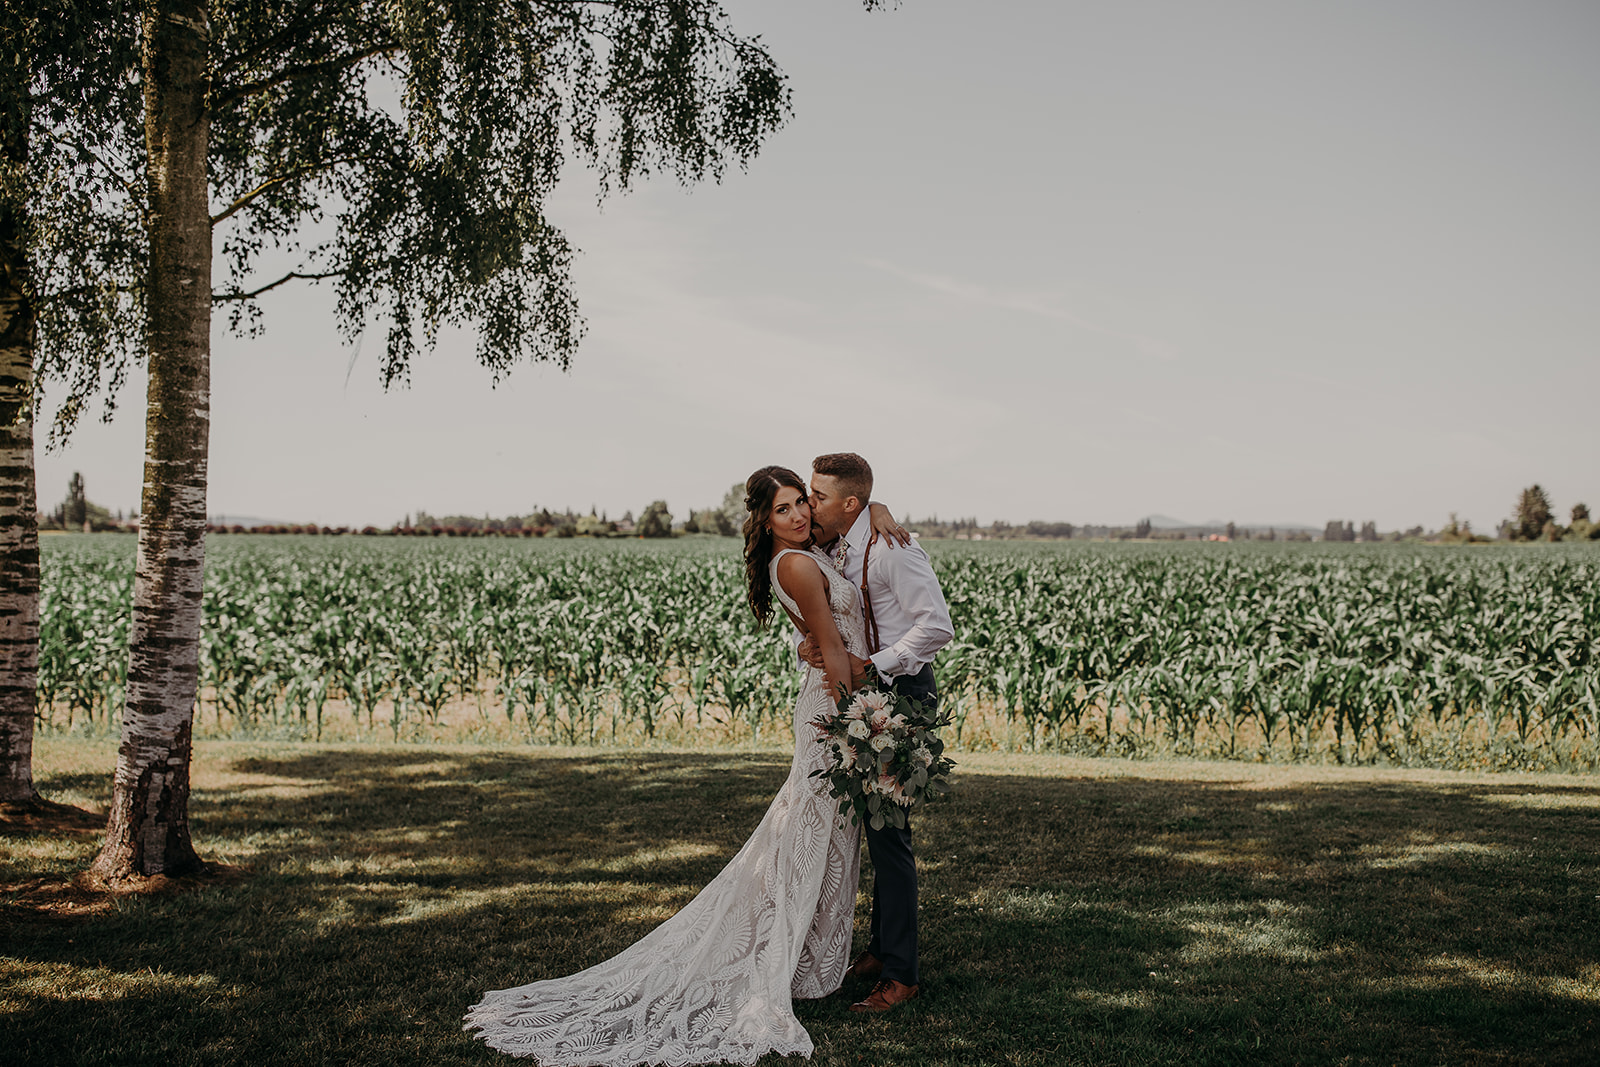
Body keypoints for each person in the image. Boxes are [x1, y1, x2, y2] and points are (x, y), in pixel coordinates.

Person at [465, 465, 901, 1065]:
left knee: (820, 835)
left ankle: (804, 958)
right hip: (836, 707)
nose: (800, 515)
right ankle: (780, 960)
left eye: (803, 502)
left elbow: (850, 542)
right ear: (762, 519)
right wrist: (871, 715)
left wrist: (877, 510)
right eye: (784, 509)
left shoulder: (806, 552)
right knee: (808, 835)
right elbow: (828, 647)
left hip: (835, 695)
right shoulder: (798, 563)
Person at [798, 452, 953, 1015]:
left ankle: (903, 975)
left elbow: (936, 625)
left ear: (849, 503)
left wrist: (877, 666)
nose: (809, 504)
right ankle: (883, 948)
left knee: (891, 834)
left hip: (900, 693)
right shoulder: (842, 538)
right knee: (875, 823)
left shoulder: (894, 548)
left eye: (817, 495)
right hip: (867, 687)